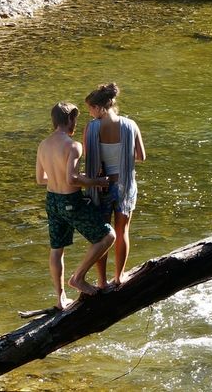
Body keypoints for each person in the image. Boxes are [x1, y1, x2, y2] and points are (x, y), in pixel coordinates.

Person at [36, 101, 115, 310]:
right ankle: (78, 277)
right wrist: (97, 182)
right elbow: (72, 179)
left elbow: (40, 178)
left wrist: (57, 177)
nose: (75, 124)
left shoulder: (43, 145)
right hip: (70, 201)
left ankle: (60, 299)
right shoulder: (73, 146)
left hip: (51, 200)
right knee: (108, 236)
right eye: (75, 120)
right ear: (70, 119)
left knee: (56, 249)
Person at [83, 82, 146, 287]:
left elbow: (88, 156)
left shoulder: (91, 128)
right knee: (122, 232)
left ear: (99, 107)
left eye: (90, 109)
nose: (90, 113)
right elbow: (141, 157)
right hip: (125, 185)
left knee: (103, 235)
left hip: (100, 185)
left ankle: (102, 282)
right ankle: (119, 277)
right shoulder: (130, 125)